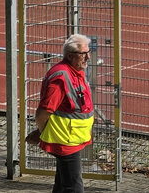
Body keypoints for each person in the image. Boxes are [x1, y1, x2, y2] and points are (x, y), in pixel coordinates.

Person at [29, 34, 95, 193]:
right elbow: (43, 112)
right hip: (65, 140)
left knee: (62, 183)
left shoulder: (76, 71)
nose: (88, 57)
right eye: (83, 54)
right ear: (70, 55)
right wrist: (41, 132)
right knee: (74, 186)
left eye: (88, 52)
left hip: (72, 138)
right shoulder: (62, 77)